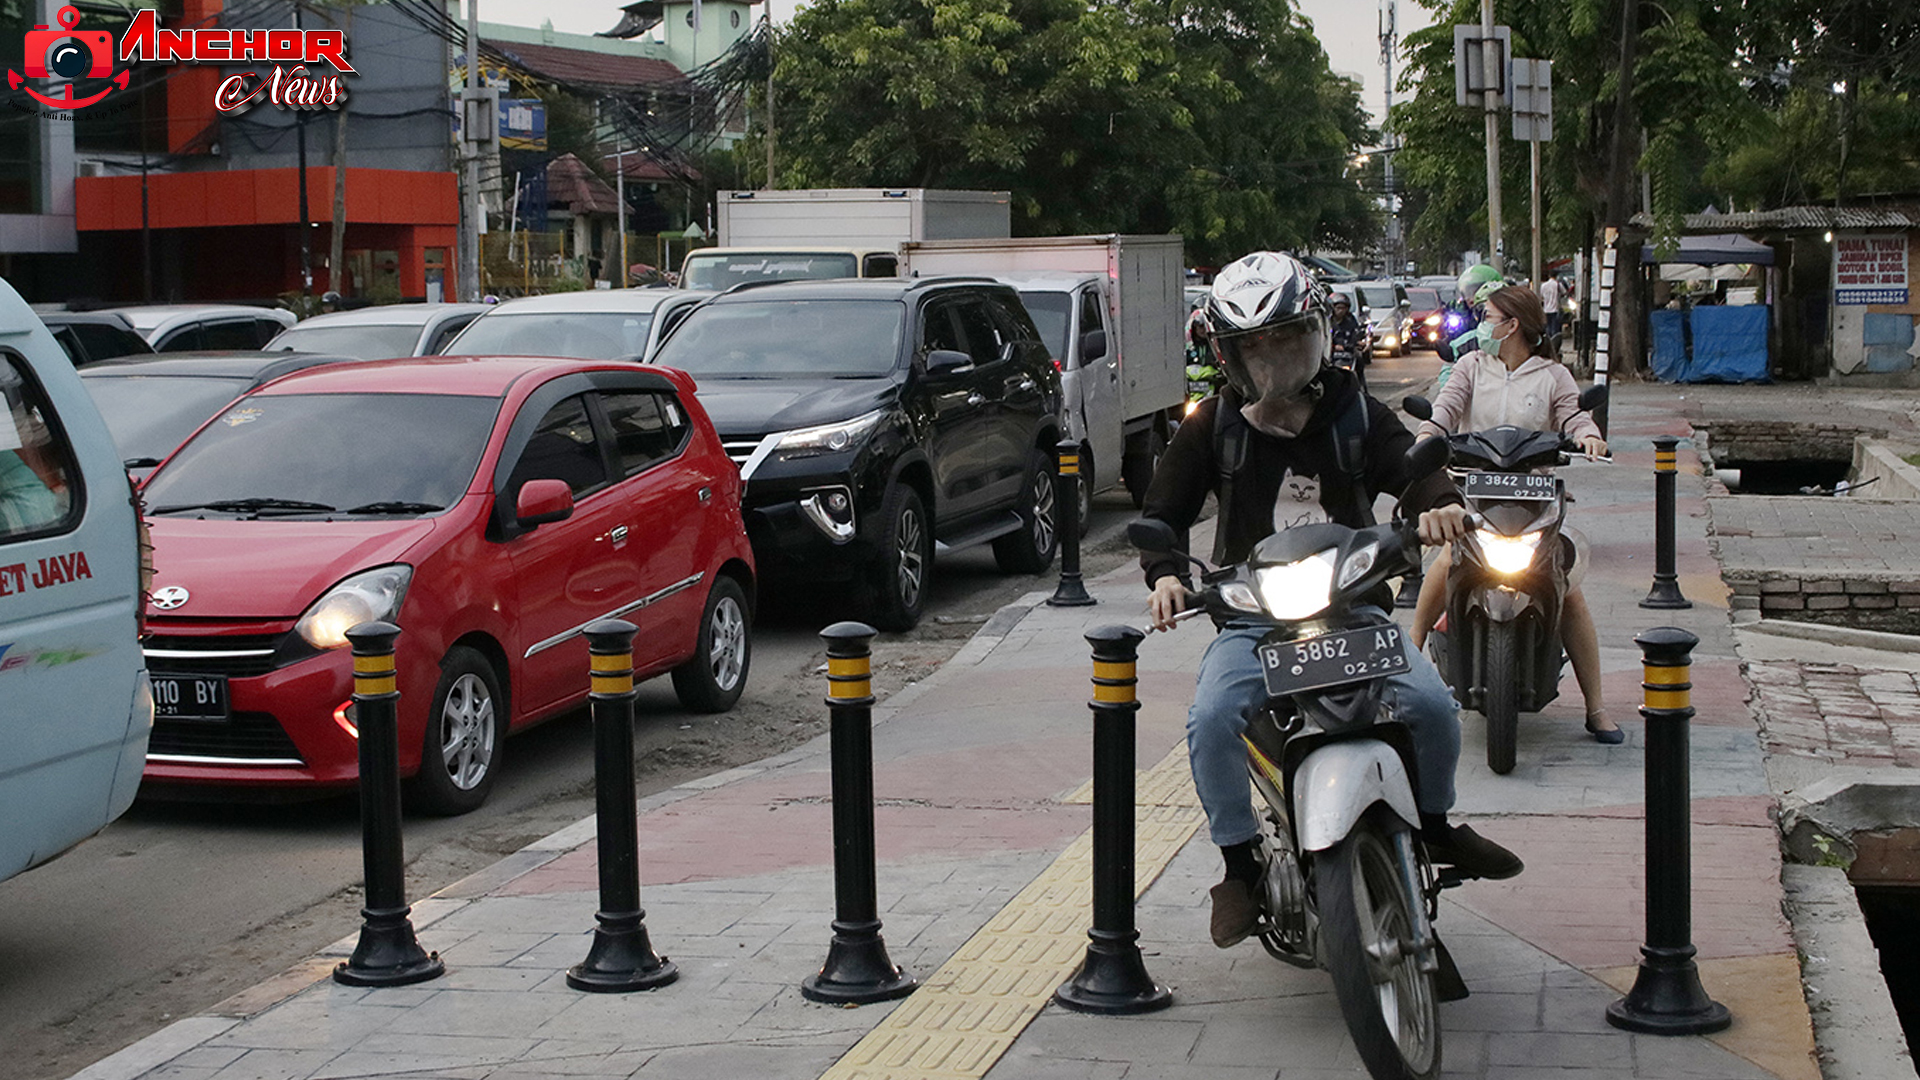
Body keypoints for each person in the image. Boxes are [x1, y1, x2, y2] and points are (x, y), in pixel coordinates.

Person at [1141, 251, 1525, 949]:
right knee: (1212, 718)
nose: (1271, 361)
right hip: (1253, 617)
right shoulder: (1212, 426)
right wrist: (1166, 573)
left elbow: (1413, 474)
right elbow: (1163, 513)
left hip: (1354, 605)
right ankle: (1238, 865)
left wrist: (1438, 507)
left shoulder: (1353, 410)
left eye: (1285, 338)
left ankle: (1435, 825)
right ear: (1227, 354)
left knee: (1433, 706)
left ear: (1315, 333)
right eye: (1251, 347)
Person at [1407, 284, 1620, 743]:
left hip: (1535, 497)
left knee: (1570, 590)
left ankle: (1597, 708)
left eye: (1489, 316)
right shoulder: (1470, 367)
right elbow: (1443, 413)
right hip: (1475, 492)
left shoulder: (1553, 375)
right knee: (1447, 562)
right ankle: (1409, 658)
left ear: (1513, 324)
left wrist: (1588, 436)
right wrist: (1426, 437)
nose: (1483, 324)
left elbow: (1572, 416)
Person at [1327, 294, 1367, 388]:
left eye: (1343, 308)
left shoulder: (1351, 321)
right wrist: (1333, 346)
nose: (1341, 311)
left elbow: (1356, 334)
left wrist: (1357, 342)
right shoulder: (1326, 322)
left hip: (1347, 352)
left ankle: (1362, 386)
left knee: (1359, 359)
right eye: (1338, 308)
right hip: (1329, 354)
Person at [1538, 274, 1566, 348]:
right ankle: (1554, 346)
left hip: (1546, 310)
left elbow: (1541, 297)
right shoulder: (1558, 285)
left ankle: (1548, 344)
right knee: (1555, 329)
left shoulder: (1543, 285)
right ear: (1556, 276)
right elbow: (1564, 293)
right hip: (1555, 309)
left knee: (1547, 328)